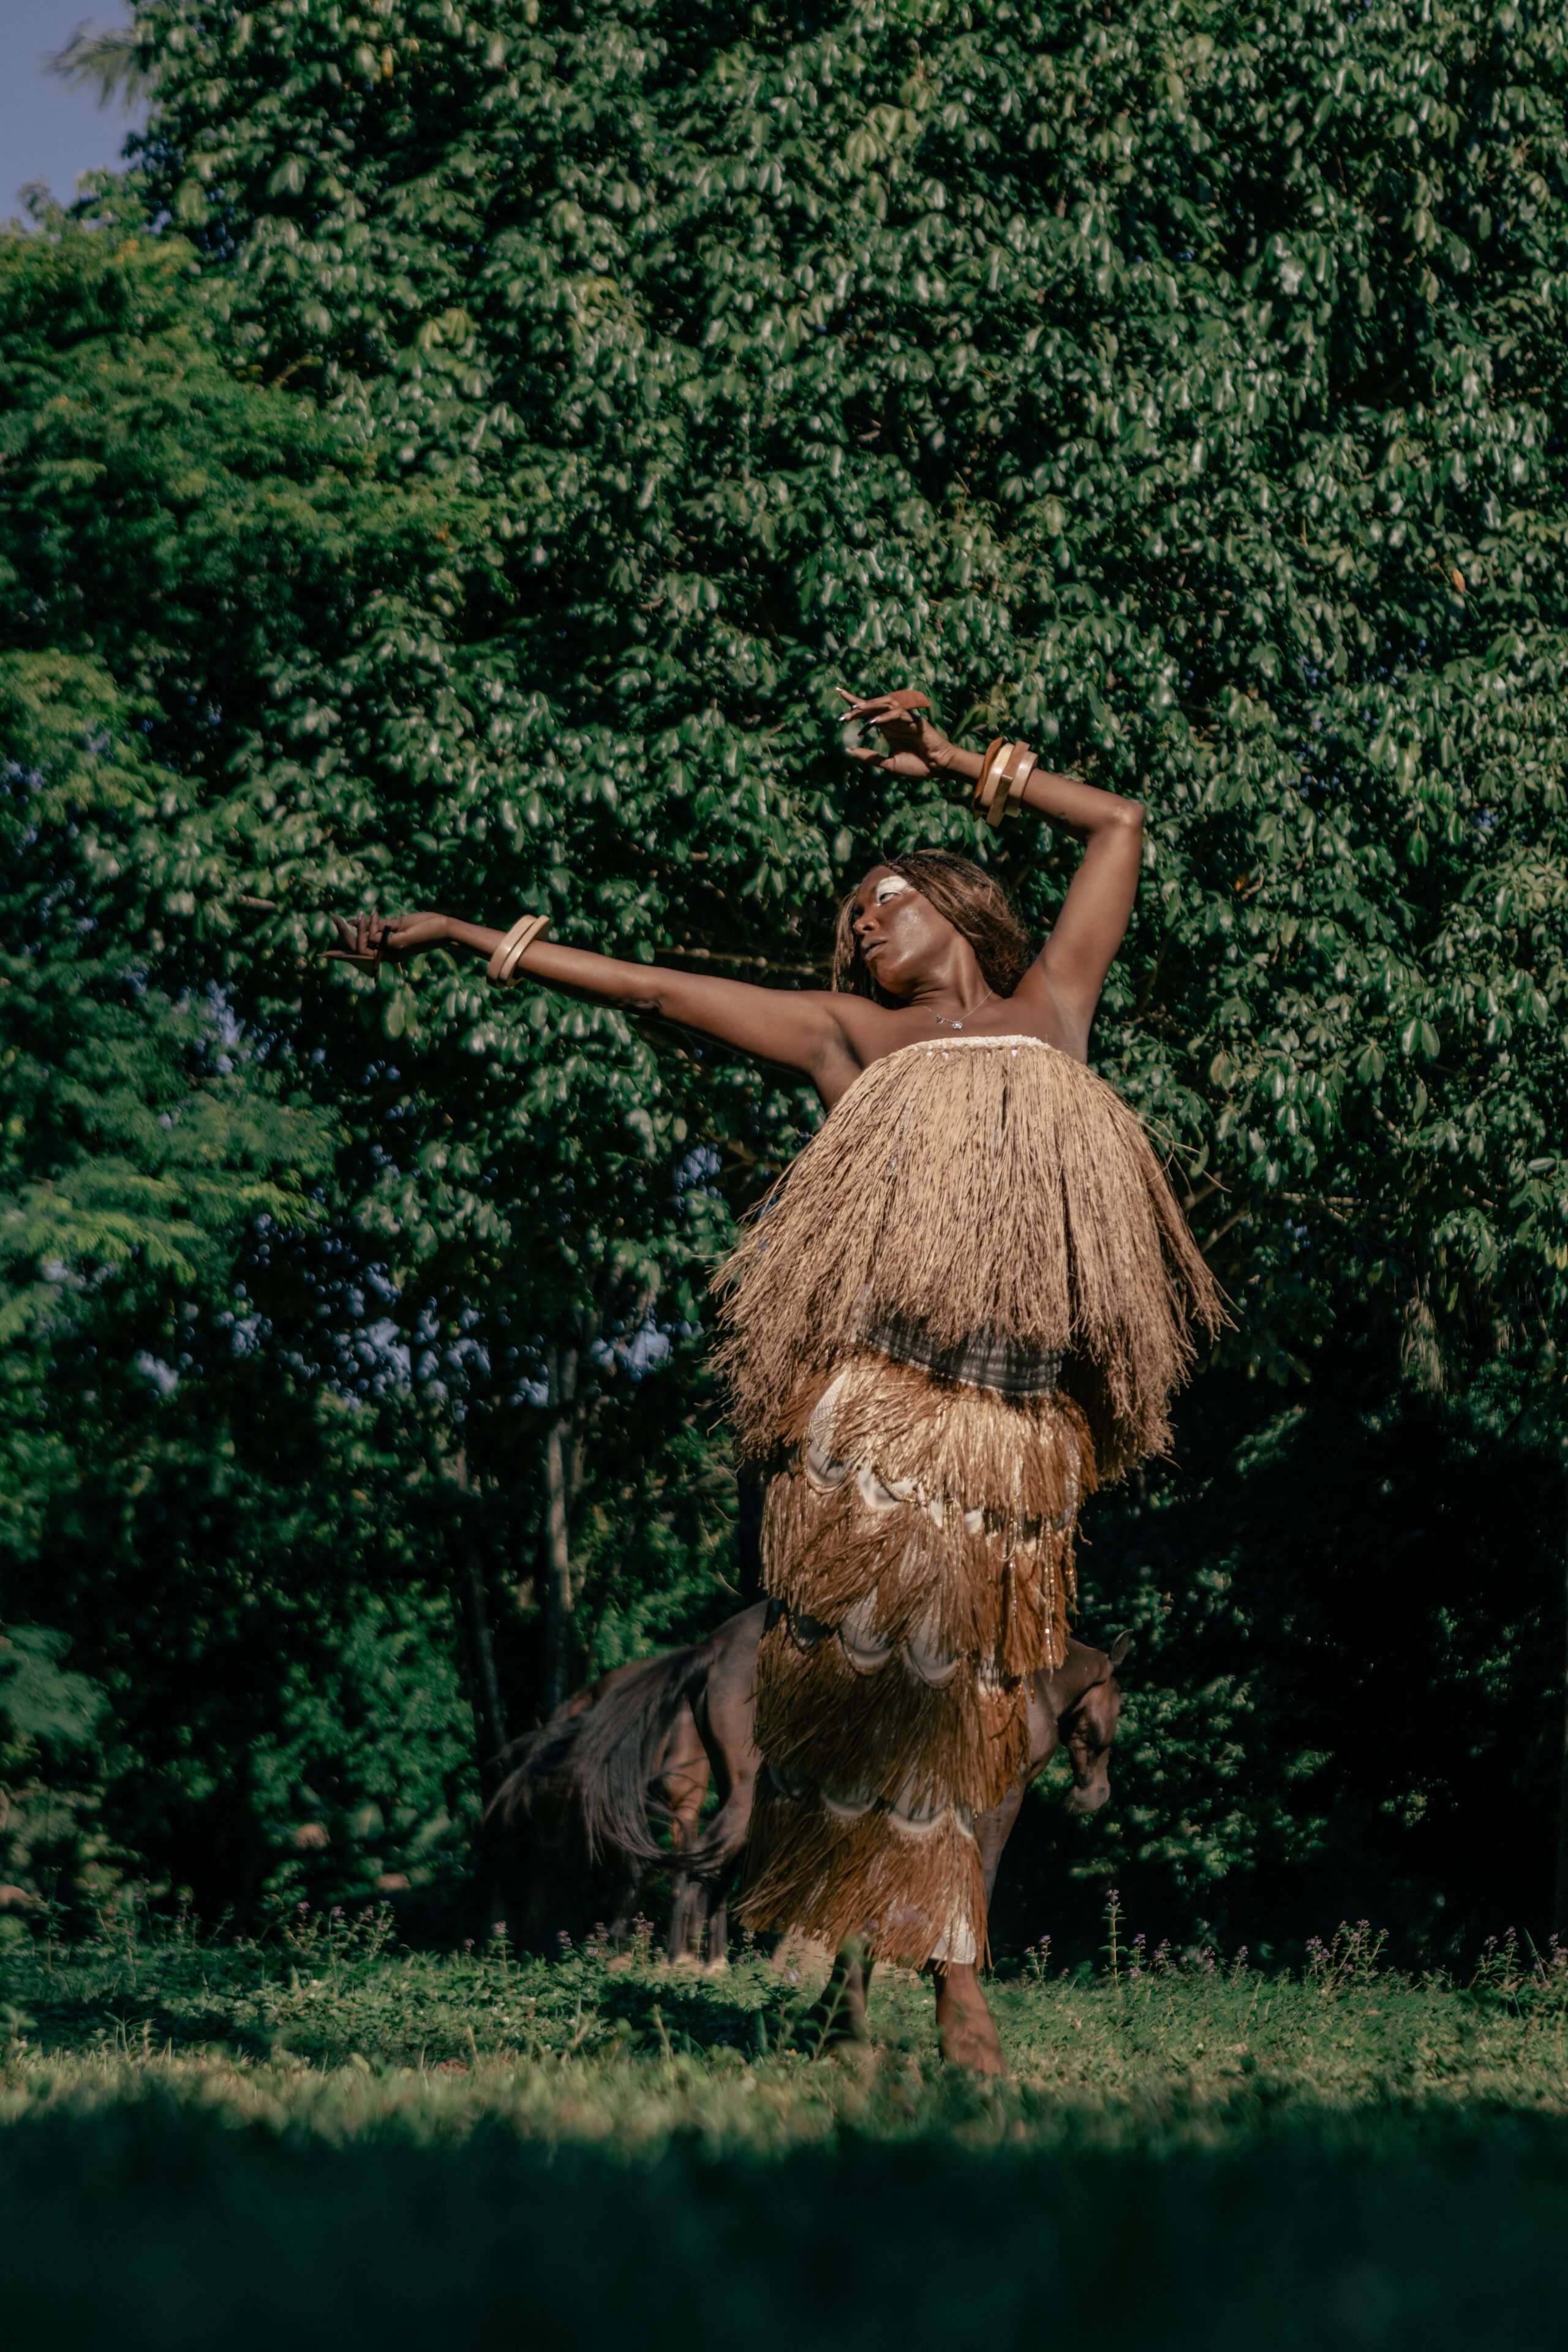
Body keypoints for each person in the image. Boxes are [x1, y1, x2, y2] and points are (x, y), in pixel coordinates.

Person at [329, 689, 1221, 2073]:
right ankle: (937, 1994)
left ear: (959, 908)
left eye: (886, 901)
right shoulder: (844, 1041)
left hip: (1018, 1440)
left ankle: (897, 1979)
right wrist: (471, 940)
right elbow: (646, 987)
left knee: (977, 1714)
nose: (862, 924)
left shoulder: (1053, 1006)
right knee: (878, 1699)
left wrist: (957, 764)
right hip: (881, 1423)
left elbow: (1118, 822)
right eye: (854, 914)